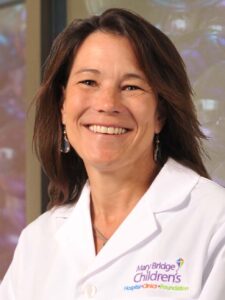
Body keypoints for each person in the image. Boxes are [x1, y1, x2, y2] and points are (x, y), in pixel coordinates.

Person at [0, 8, 225, 300]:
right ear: (62, 107)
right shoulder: (37, 241)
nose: (107, 104)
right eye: (89, 82)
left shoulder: (214, 222)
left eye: (131, 86)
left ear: (160, 114)